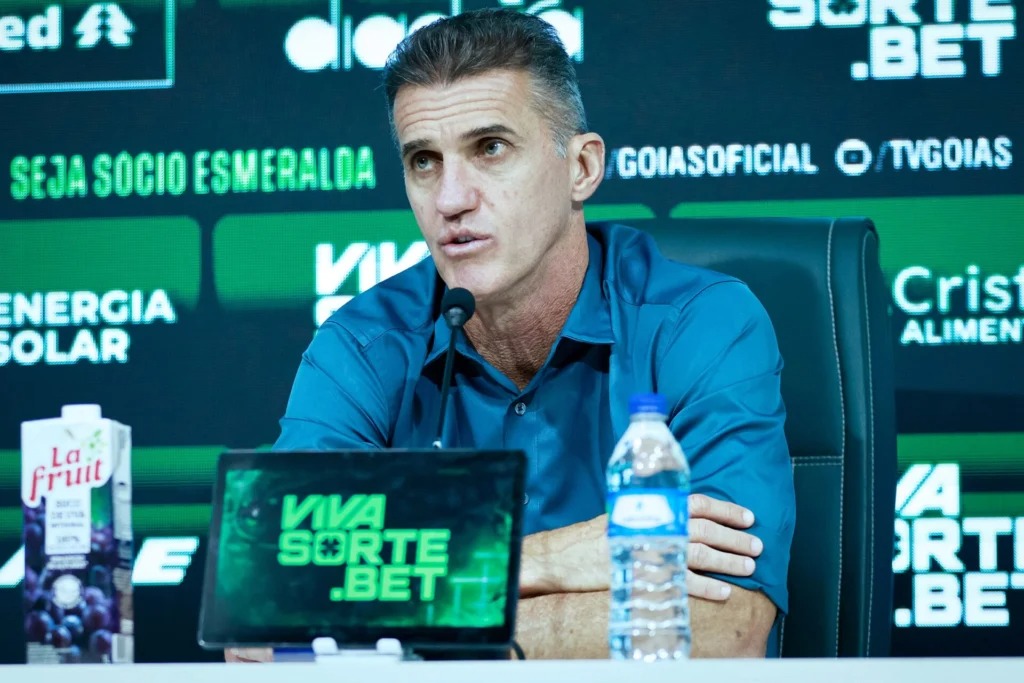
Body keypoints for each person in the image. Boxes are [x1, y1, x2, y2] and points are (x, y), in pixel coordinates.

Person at [227, 8, 795, 662]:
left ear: (581, 167)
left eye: (490, 149)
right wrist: (544, 558)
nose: (450, 199)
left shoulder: (701, 324)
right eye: (423, 161)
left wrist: (408, 616)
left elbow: (724, 629)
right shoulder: (363, 346)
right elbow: (265, 616)